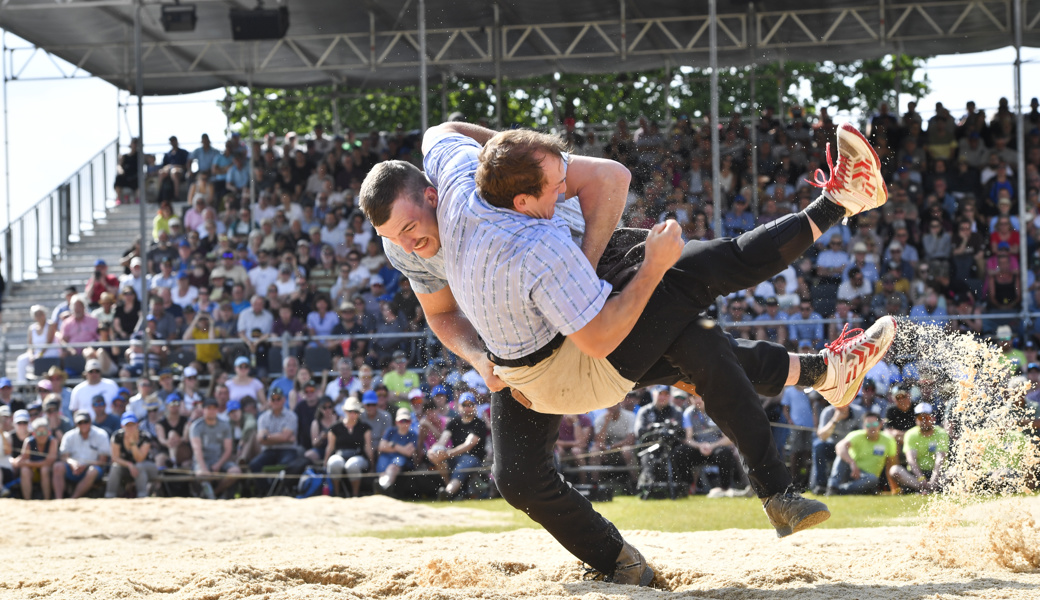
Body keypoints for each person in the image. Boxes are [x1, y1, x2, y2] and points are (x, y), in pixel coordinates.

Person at [359, 120, 895, 582]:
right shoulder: (437, 237)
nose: (406, 244)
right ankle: (617, 558)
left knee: (697, 334)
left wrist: (514, 159)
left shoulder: (499, 201)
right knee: (517, 476)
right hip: (531, 341)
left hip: (593, 265)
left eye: (409, 228)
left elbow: (454, 133)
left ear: (435, 194)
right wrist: (481, 360)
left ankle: (823, 358)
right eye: (392, 236)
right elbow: (441, 314)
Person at [429, 391, 488, 500]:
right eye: (464, 405)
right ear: (459, 406)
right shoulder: (453, 422)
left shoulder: (479, 424)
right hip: (455, 457)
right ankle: (450, 492)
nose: (467, 408)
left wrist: (447, 454)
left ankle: (449, 492)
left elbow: (468, 446)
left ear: (475, 406)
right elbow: (442, 441)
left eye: (470, 404)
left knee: (464, 463)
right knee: (437, 456)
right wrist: (433, 451)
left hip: (473, 458)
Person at [827, 411, 898, 495]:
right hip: (851, 472)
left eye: (875, 424)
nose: (872, 427)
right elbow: (839, 447)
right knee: (841, 456)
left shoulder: (888, 440)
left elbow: (890, 465)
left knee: (873, 479)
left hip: (868, 478)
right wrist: (852, 463)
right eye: (868, 425)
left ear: (880, 425)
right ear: (863, 426)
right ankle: (832, 487)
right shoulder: (856, 435)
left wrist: (894, 489)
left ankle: (839, 491)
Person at [888, 402, 949, 494]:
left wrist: (934, 479)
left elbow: (940, 458)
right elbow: (911, 460)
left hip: (938, 473)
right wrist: (921, 478)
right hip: (917, 474)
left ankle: (926, 488)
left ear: (933, 418)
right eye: (920, 418)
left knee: (955, 471)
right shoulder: (910, 434)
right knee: (894, 470)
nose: (924, 421)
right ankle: (927, 488)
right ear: (916, 420)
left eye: (927, 417)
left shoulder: (941, 433)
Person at [189, 397, 241, 499]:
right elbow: (197, 449)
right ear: (203, 410)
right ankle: (207, 495)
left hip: (220, 460)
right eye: (209, 408)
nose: (211, 411)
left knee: (235, 472)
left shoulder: (225, 425)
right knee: (201, 475)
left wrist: (218, 464)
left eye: (214, 408)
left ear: (217, 410)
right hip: (202, 461)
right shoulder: (196, 426)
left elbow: (228, 449)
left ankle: (216, 493)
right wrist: (203, 468)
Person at [53, 410, 111, 500]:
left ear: (90, 421)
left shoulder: (101, 434)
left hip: (92, 469)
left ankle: (73, 499)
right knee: (57, 466)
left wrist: (85, 465)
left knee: (93, 471)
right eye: (80, 422)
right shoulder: (69, 436)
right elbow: (64, 456)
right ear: (76, 424)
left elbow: (103, 461)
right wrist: (72, 463)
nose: (83, 425)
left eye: (85, 422)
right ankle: (59, 499)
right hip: (72, 469)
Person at [325, 396, 373, 497]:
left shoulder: (365, 428)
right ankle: (337, 494)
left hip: (359, 456)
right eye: (350, 411)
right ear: (345, 411)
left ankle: (355, 495)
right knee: (334, 463)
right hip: (340, 455)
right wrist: (325, 463)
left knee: (352, 465)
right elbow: (330, 447)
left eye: (356, 412)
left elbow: (368, 447)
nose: (353, 414)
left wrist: (372, 464)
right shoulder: (335, 428)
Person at [106, 413, 159, 498]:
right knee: (115, 467)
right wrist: (129, 465)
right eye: (127, 425)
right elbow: (115, 458)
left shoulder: (145, 436)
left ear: (137, 424)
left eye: (132, 425)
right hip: (127, 468)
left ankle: (142, 495)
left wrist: (133, 443)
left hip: (148, 467)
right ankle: (109, 496)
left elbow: (139, 459)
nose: (130, 428)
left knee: (138, 466)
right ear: (122, 425)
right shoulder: (117, 436)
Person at [249, 388, 299, 474]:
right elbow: (260, 439)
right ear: (269, 401)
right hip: (269, 451)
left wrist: (266, 437)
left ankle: (279, 483)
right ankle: (266, 483)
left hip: (287, 450)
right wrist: (284, 437)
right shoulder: (263, 417)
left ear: (284, 400)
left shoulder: (291, 416)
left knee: (286, 465)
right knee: (254, 464)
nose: (276, 401)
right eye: (273, 399)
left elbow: (284, 436)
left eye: (278, 399)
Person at [375, 407, 417, 494]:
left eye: (407, 421)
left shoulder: (413, 435)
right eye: (401, 421)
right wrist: (402, 448)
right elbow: (381, 447)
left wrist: (393, 445)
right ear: (396, 422)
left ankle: (385, 487)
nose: (404, 424)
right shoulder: (390, 431)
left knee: (393, 467)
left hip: (402, 462)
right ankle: (384, 489)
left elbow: (408, 453)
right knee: (383, 469)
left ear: (410, 422)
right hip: (386, 458)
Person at [14, 418, 57, 500]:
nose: (42, 436)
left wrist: (29, 463)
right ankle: (27, 500)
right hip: (33, 472)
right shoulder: (29, 442)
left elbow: (49, 462)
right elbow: (22, 462)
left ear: (48, 433)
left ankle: (47, 500)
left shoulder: (53, 441)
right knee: (25, 470)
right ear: (34, 433)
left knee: (44, 470)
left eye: (44, 433)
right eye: (39, 433)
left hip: (49, 472)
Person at [17, 305, 60, 382]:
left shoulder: (50, 325)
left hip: (48, 352)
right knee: (21, 360)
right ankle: (21, 383)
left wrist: (39, 355)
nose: (39, 316)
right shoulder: (32, 328)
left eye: (41, 314)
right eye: (36, 314)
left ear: (44, 314)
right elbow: (30, 346)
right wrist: (31, 356)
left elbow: (48, 343)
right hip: (36, 354)